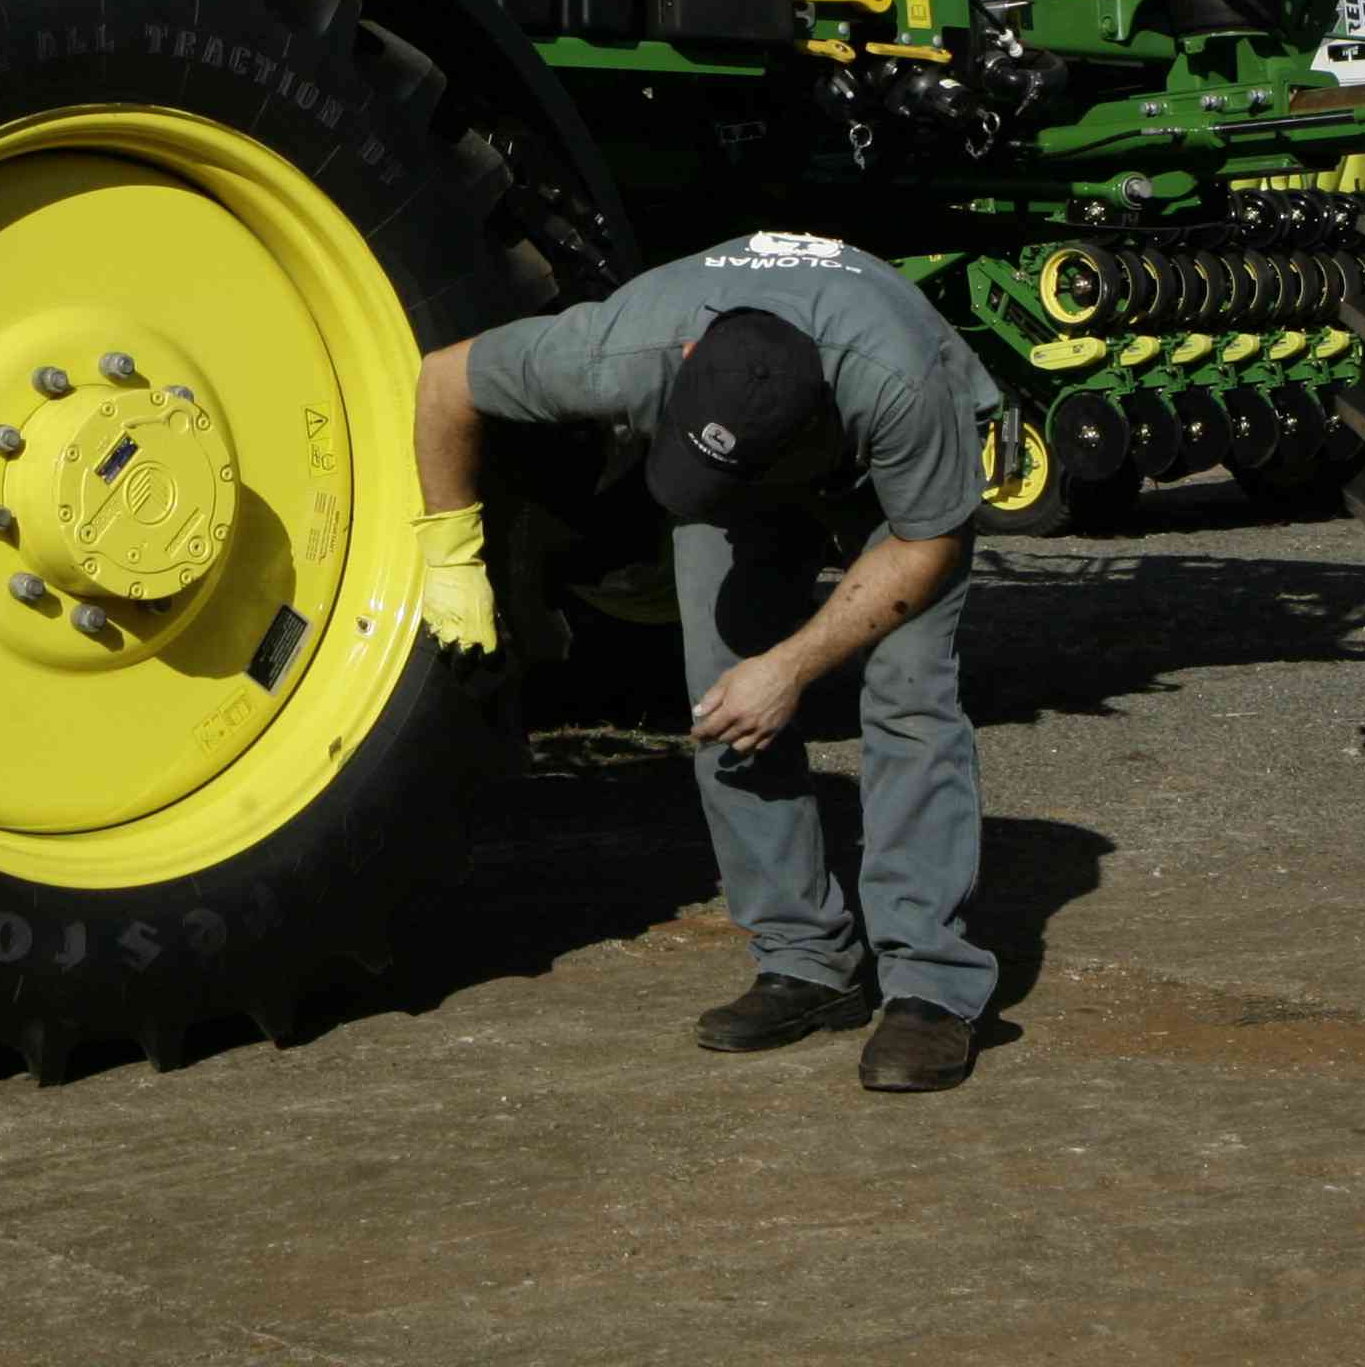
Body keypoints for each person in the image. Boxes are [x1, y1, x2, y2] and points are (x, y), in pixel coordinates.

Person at [413, 230, 997, 1091]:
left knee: (909, 693)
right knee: (722, 698)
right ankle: (804, 962)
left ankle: (930, 989)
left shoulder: (902, 381)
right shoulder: (625, 344)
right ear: (684, 363)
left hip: (895, 485)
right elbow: (441, 380)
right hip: (759, 432)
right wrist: (449, 555)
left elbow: (924, 546)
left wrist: (793, 666)